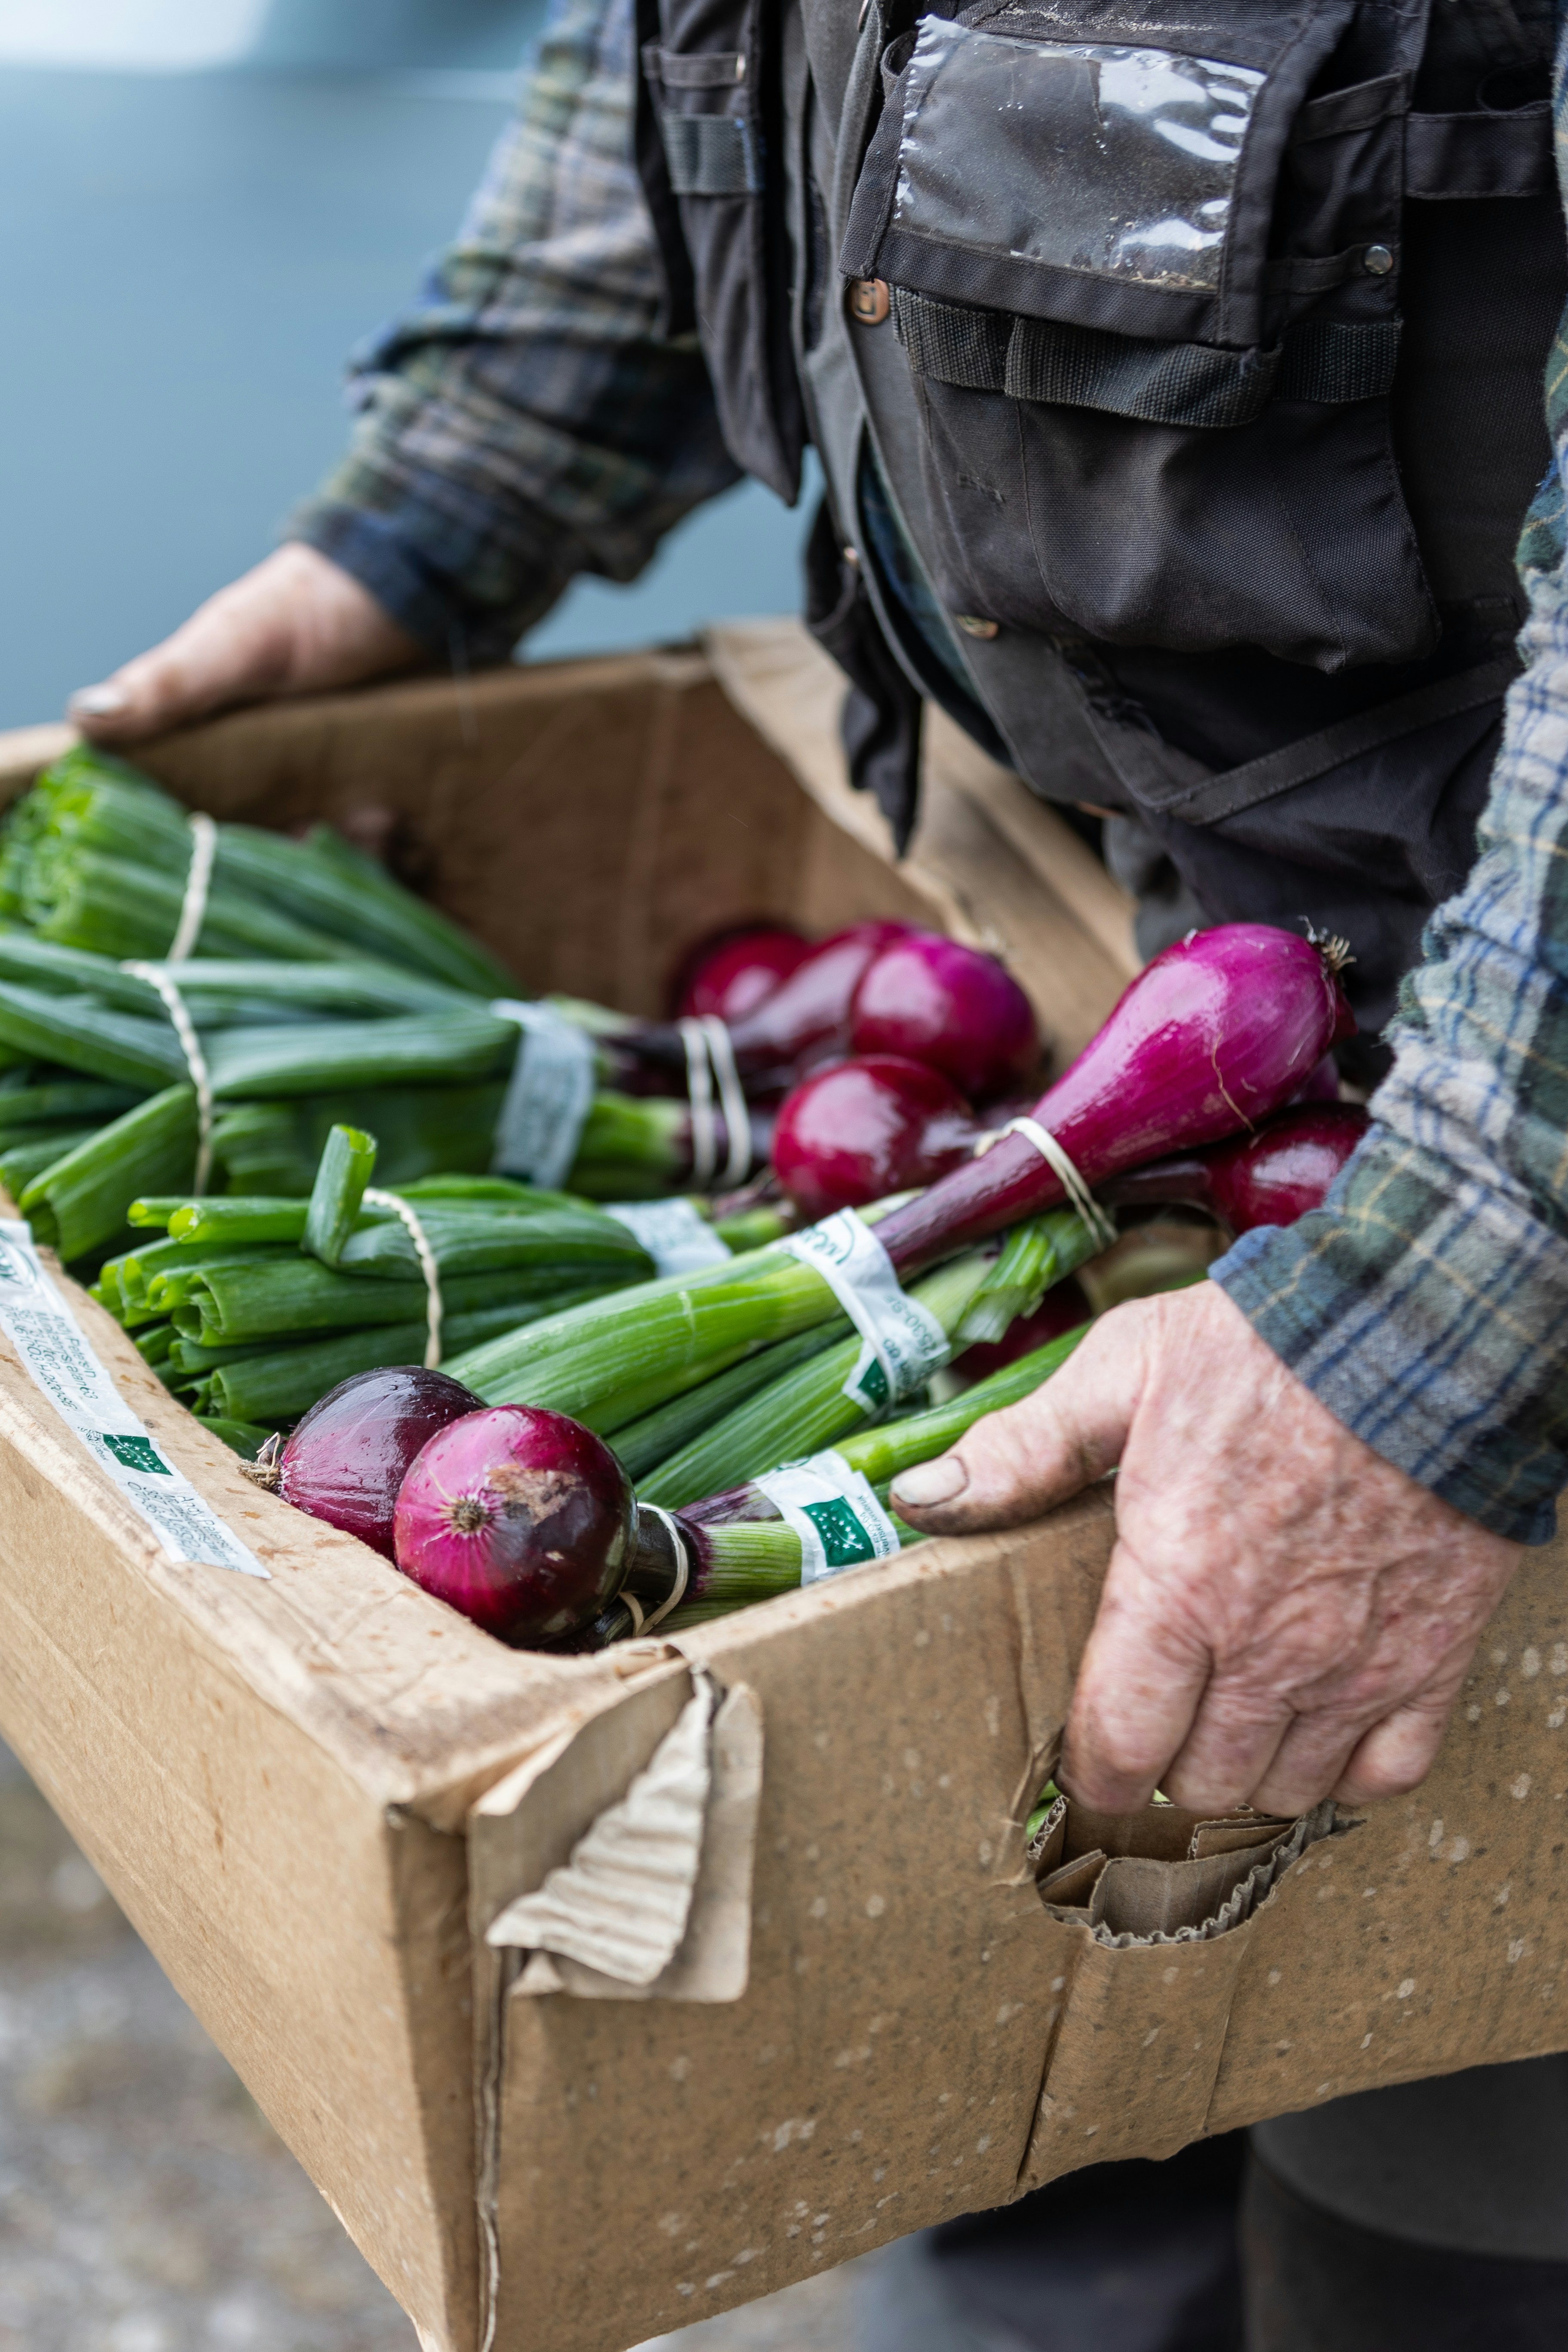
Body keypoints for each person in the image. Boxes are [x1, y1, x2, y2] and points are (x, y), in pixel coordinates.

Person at [66, 0, 1568, 2341]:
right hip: (1117, 1008)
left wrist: (1428, 1334)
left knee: (1441, 2175)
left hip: (1484, 1138)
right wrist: (438, 509)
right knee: (1022, 2114)